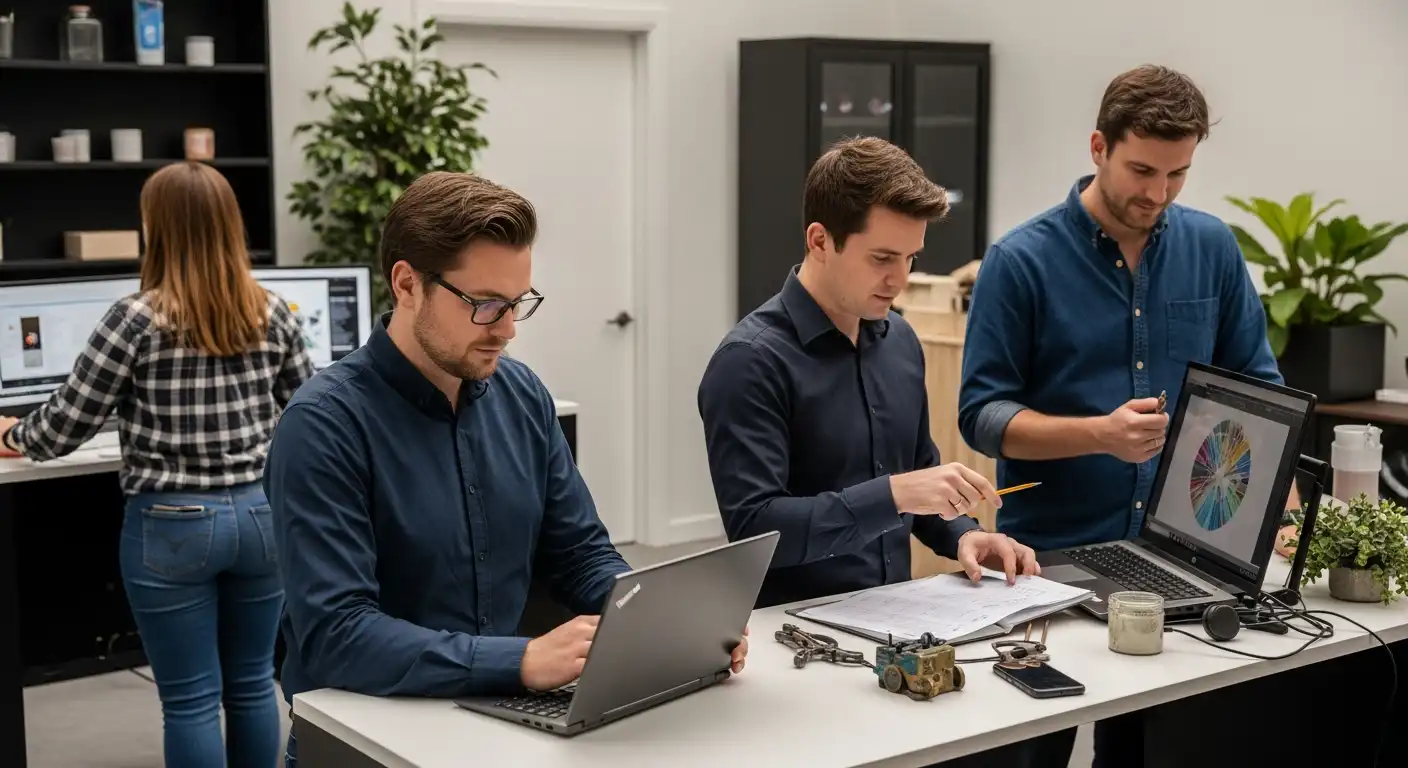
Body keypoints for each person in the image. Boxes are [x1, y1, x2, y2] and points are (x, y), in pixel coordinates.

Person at [265, 171, 749, 768]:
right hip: (361, 740)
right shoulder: (324, 424)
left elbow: (579, 552)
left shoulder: (521, 395)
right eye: (486, 305)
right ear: (407, 284)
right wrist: (516, 661)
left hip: (493, 727)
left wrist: (655, 625)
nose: (508, 328)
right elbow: (336, 633)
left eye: (518, 302)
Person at [958, 65, 1286, 767]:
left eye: (1177, 175)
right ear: (1098, 147)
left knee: (1153, 750)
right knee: (1029, 751)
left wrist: (1274, 503)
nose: (1157, 194)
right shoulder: (1019, 262)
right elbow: (981, 416)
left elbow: (1256, 384)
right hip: (1049, 566)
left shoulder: (1213, 248)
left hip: (1181, 557)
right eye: (1142, 170)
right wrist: (1097, 436)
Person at [698, 136, 1062, 766]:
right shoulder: (747, 364)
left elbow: (921, 480)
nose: (902, 279)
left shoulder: (901, 343)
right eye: (883, 258)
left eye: (913, 257)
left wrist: (961, 535)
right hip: (796, 651)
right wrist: (893, 494)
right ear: (819, 240)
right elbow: (754, 527)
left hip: (897, 629)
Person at [0, 162, 312, 768]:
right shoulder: (272, 312)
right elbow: (311, 412)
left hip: (172, 523)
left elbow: (64, 426)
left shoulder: (134, 318)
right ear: (230, 225)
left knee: (191, 701)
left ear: (156, 228)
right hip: (260, 517)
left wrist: (13, 433)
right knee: (251, 683)